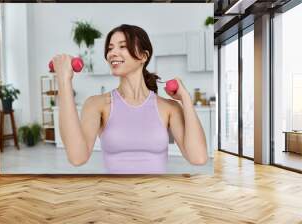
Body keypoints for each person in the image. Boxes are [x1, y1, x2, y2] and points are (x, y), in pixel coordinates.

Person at [52, 24, 207, 174]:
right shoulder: (96, 104)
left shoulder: (169, 108)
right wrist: (64, 81)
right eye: (110, 48)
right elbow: (77, 158)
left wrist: (185, 98)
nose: (112, 53)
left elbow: (198, 158)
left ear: (143, 56)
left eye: (122, 46)